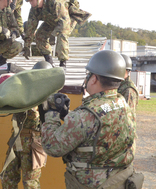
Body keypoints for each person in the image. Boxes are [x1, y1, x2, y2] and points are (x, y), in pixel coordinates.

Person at [40, 50, 138, 188]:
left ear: (94, 79)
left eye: (89, 74)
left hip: (91, 184)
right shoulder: (123, 103)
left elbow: (52, 147)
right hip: (118, 181)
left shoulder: (85, 115)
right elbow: (94, 130)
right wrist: (67, 115)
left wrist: (52, 113)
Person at [0, 61, 51, 189]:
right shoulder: (25, 91)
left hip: (33, 143)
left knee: (30, 184)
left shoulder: (49, 97)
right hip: (16, 140)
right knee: (8, 180)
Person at [23, 0, 91, 67]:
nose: (31, 3)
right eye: (29, 1)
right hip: (51, 21)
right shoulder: (34, 9)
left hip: (67, 19)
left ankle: (63, 64)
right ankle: (49, 61)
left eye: (32, 0)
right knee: (39, 36)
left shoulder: (55, 2)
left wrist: (53, 35)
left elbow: (64, 24)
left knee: (62, 35)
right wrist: (26, 46)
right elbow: (31, 28)